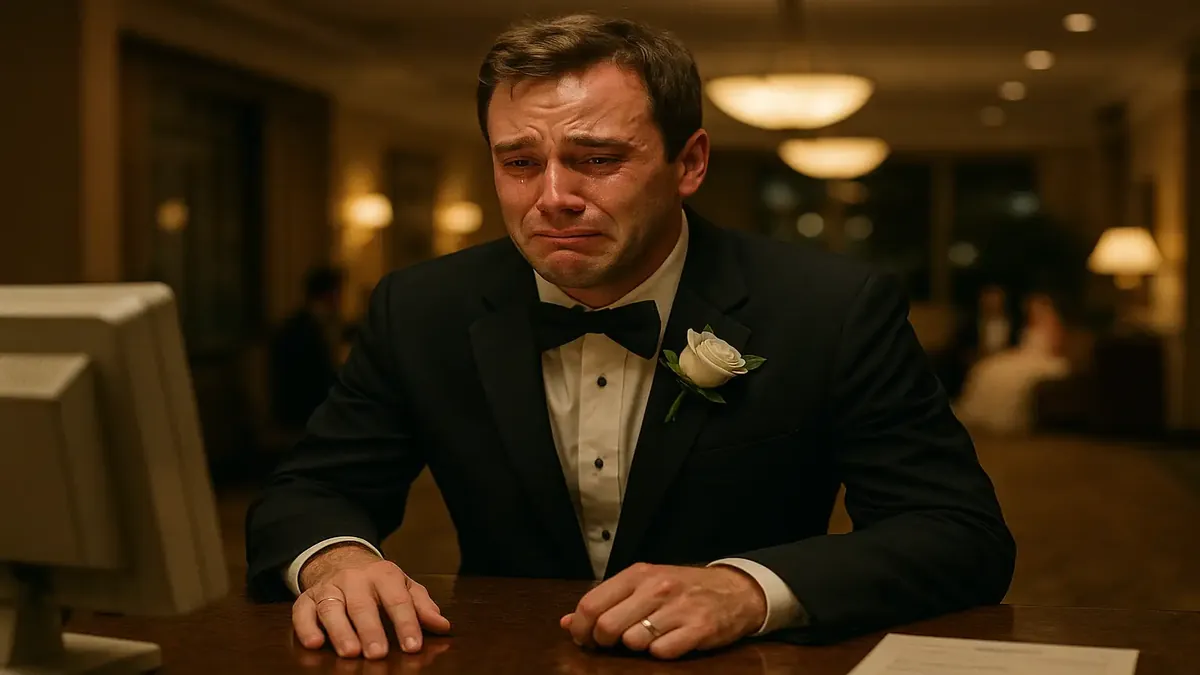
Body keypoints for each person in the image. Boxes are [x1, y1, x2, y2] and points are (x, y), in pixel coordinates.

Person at [245, 14, 1015, 662]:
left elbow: (957, 534)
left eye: (598, 160)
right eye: (519, 163)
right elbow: (311, 490)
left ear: (690, 163)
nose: (553, 198)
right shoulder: (421, 307)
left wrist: (750, 588)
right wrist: (338, 559)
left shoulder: (831, 308)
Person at [955, 292, 1071, 435]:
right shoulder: (1026, 324)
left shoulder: (1053, 324)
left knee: (1012, 377)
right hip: (1023, 355)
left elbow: (1057, 347)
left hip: (1043, 359)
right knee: (988, 368)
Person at [267, 266, 345, 432]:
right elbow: (317, 383)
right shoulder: (304, 332)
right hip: (301, 415)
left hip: (301, 409)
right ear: (329, 295)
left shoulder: (301, 325)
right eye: (338, 294)